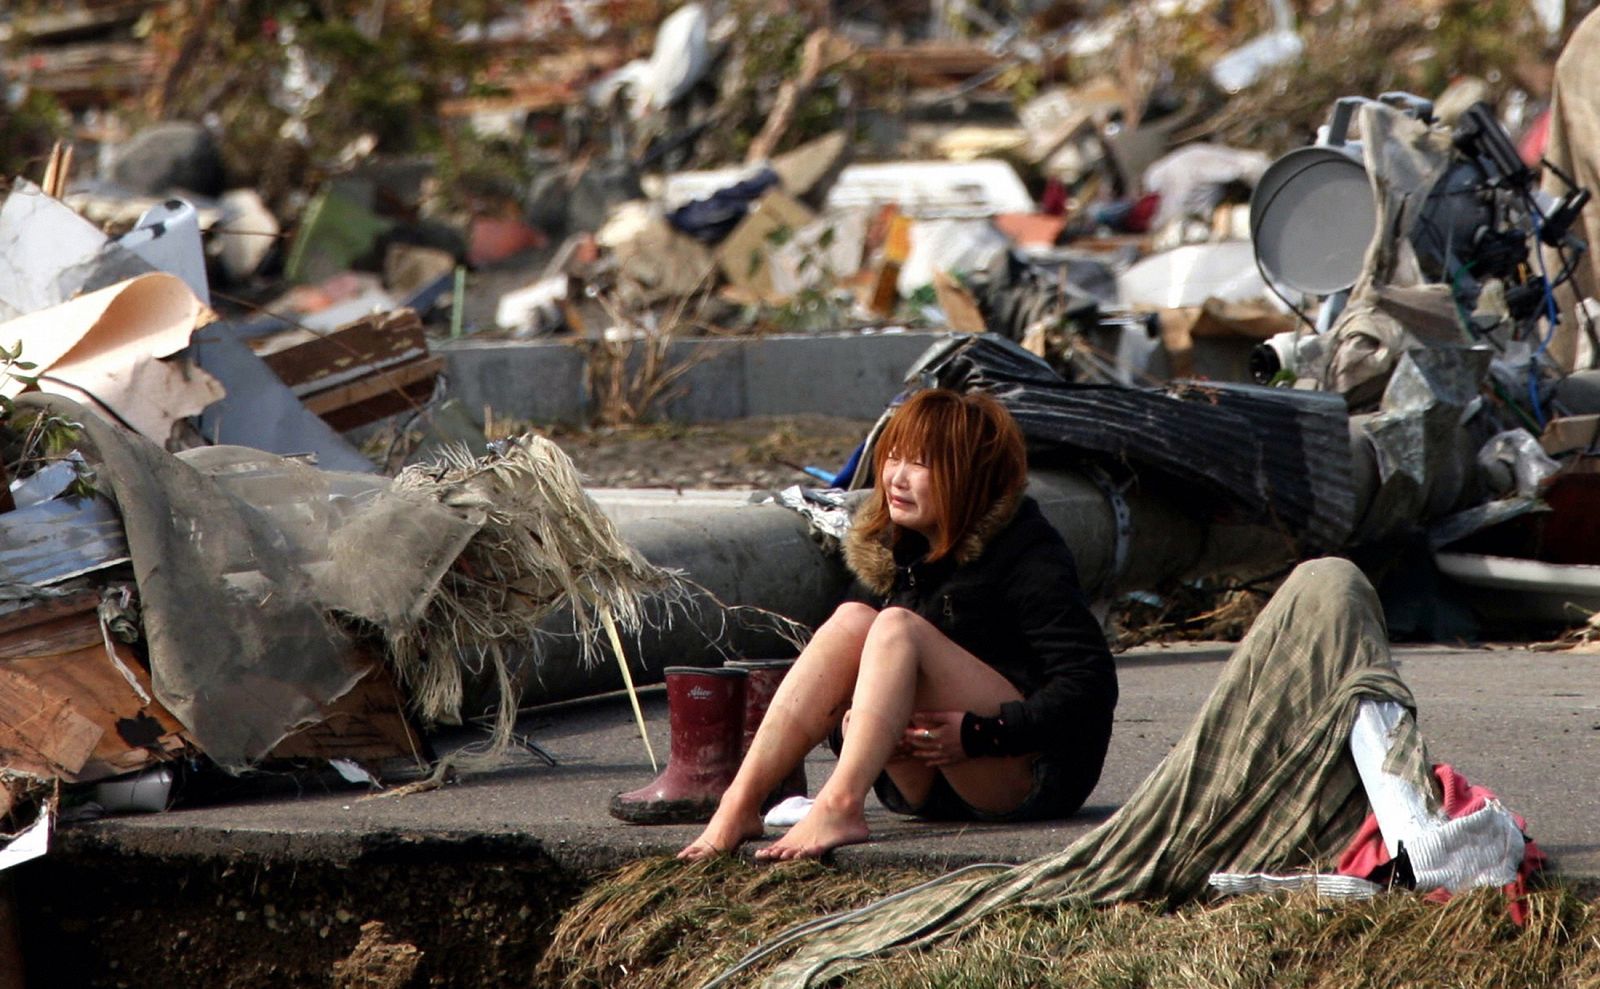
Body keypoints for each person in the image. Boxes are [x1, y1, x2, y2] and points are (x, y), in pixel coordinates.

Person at [679, 388, 1118, 861]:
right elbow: (837, 690)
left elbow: (1089, 684)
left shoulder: (1028, 552)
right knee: (852, 620)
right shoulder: (893, 551)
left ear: (969, 475)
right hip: (920, 787)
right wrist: (851, 729)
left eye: (920, 464)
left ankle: (841, 805)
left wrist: (980, 732)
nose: (896, 478)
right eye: (893, 458)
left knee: (896, 628)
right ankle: (740, 803)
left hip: (1020, 775)